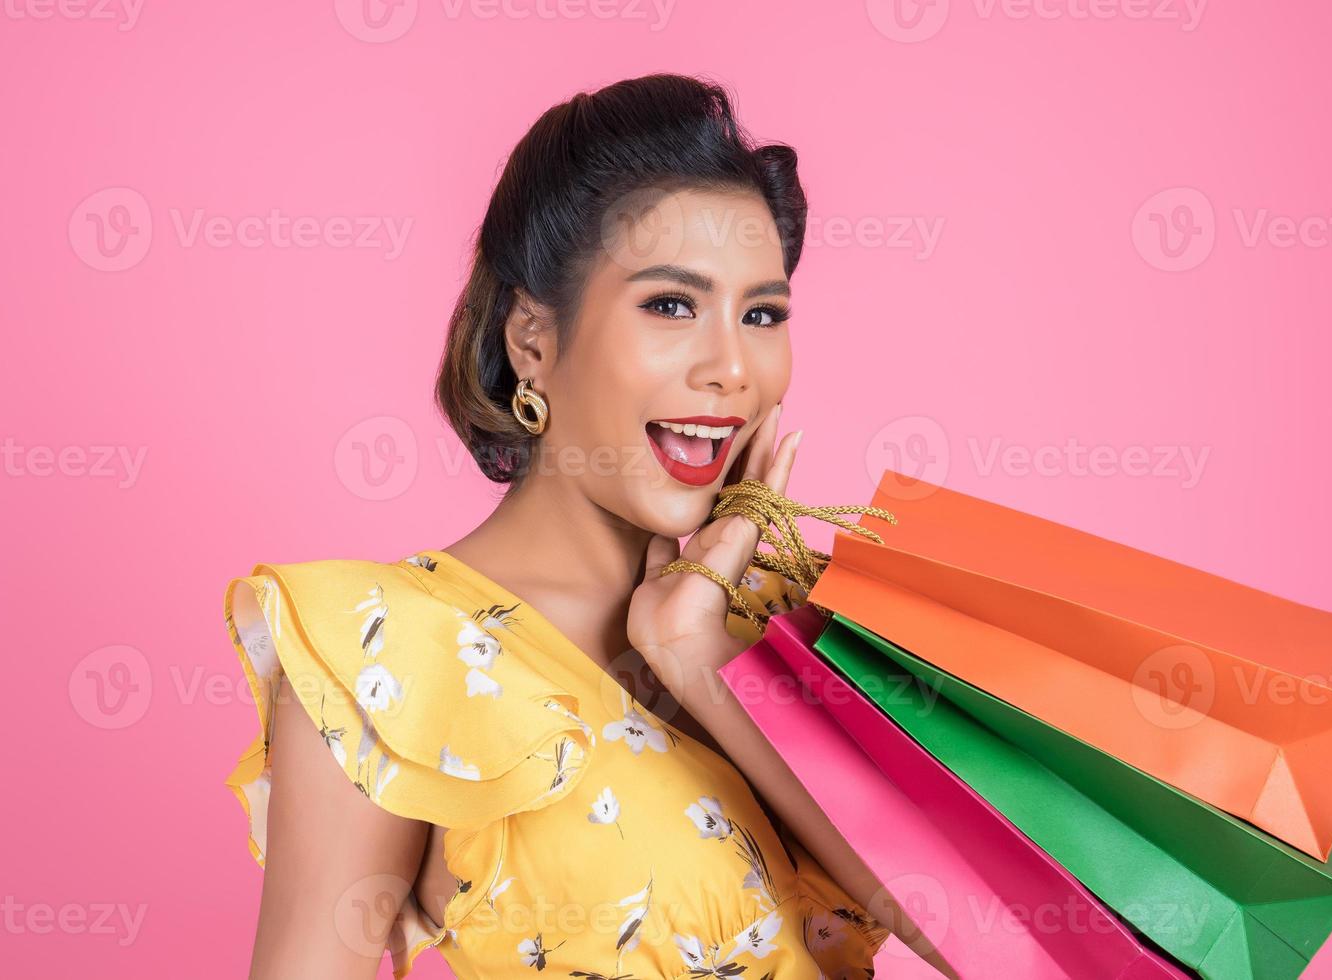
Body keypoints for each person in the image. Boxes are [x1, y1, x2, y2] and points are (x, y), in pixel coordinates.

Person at [222, 72, 953, 979]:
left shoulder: (796, 618)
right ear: (532, 339)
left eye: (761, 314)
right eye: (671, 305)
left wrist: (697, 652)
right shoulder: (383, 652)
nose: (732, 368)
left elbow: (979, 936)